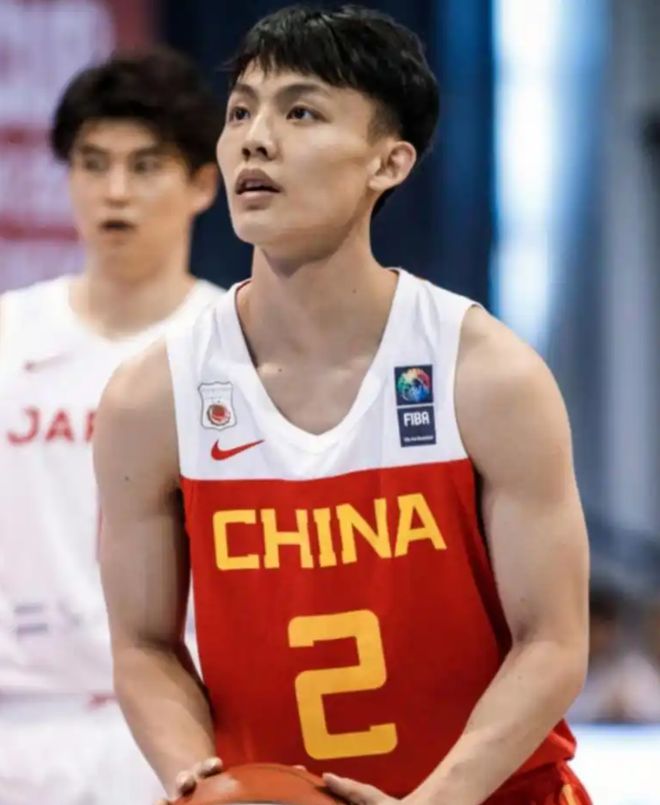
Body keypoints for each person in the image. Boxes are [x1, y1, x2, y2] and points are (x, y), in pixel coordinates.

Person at [95, 6, 591, 804]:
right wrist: (202, 781)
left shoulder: (485, 374)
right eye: (240, 112)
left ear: (388, 163)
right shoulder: (151, 396)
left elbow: (554, 642)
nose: (255, 139)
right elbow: (144, 644)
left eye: (301, 112)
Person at [0, 48, 224, 805]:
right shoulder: (8, 336)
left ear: (203, 183)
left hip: (181, 735)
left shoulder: (236, 349)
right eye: (93, 164)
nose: (115, 191)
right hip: (18, 723)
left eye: (145, 165)